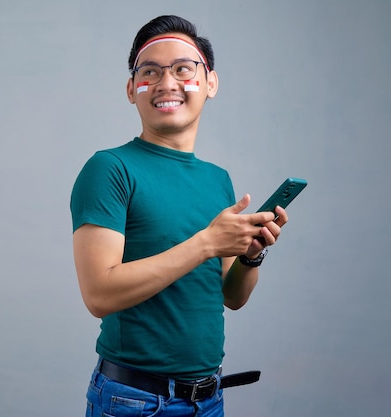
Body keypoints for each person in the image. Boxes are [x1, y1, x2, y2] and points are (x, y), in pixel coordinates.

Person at [70, 15, 289, 416]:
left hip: (209, 399)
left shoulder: (217, 180)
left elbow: (232, 296)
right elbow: (99, 295)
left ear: (210, 83)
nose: (166, 83)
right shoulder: (109, 169)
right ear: (131, 90)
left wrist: (250, 254)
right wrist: (207, 242)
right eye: (149, 72)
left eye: (183, 69)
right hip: (134, 401)